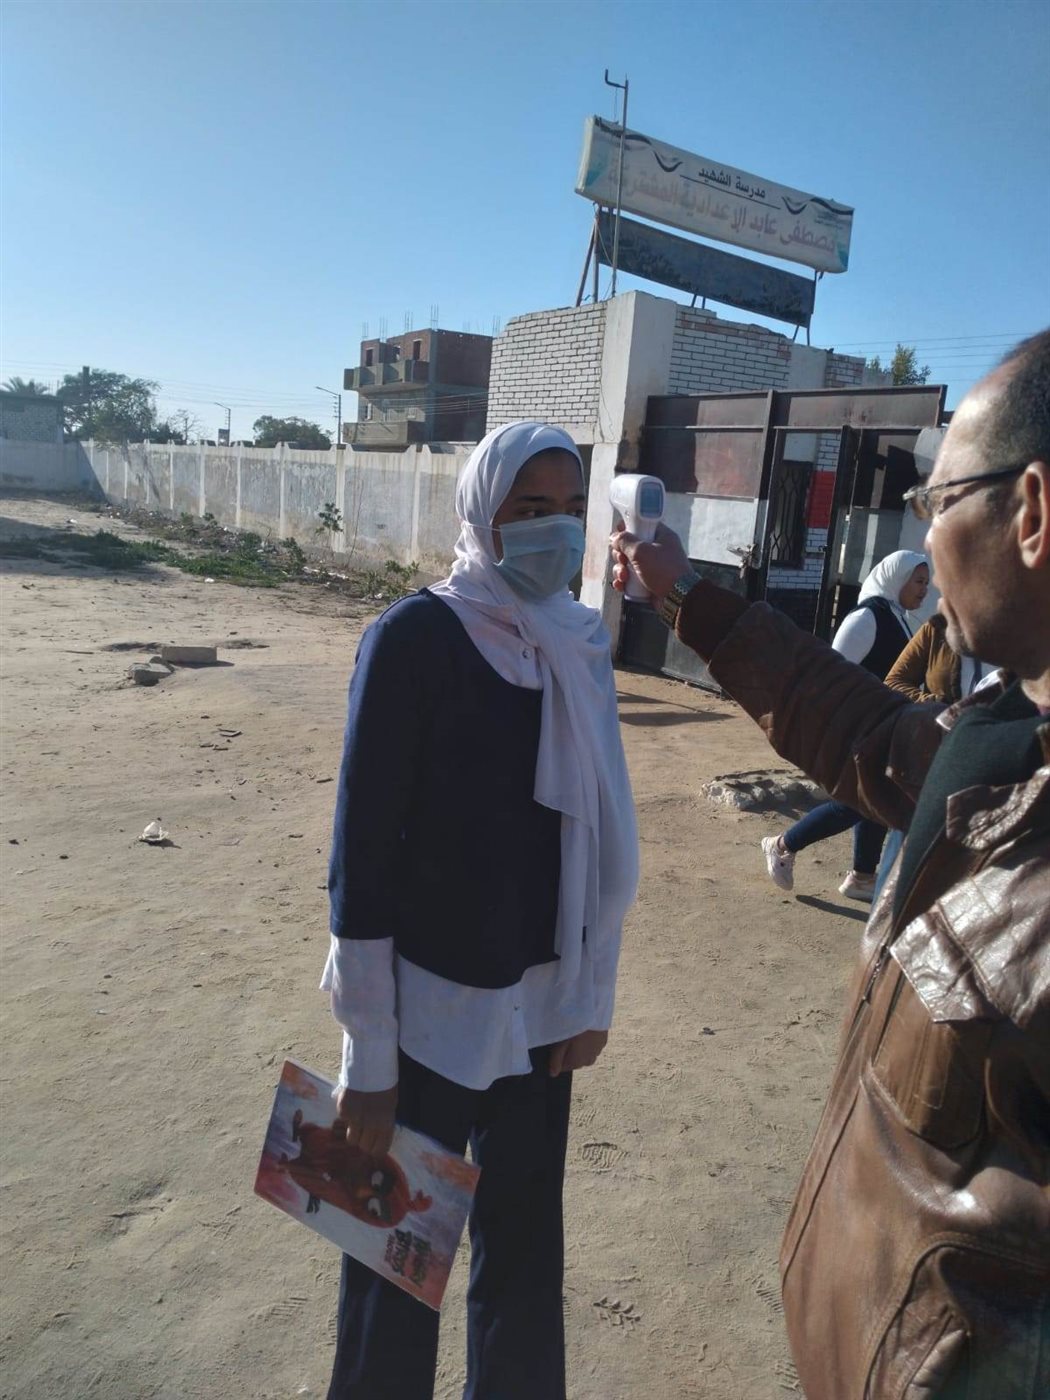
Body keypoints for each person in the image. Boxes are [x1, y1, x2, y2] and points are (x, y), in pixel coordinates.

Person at [610, 329, 1050, 1399]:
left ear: (1033, 511)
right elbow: (865, 730)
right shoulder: (1006, 731)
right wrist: (686, 596)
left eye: (939, 500)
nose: (925, 535)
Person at [322, 420, 639, 1400]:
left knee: (524, 1256)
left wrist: (590, 998)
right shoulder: (415, 639)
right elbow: (362, 860)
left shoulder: (578, 640)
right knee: (395, 1263)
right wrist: (367, 1058)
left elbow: (601, 841)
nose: (556, 530)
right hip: (428, 1021)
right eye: (530, 509)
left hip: (543, 1018)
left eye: (571, 509)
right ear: (482, 513)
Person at [760, 551, 929, 902]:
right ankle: (783, 845)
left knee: (878, 800)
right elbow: (832, 673)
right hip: (858, 730)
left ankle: (862, 876)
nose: (924, 589)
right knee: (859, 801)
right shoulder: (867, 617)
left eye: (926, 583)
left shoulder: (898, 618)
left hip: (884, 730)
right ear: (897, 577)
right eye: (918, 581)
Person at [885, 609, 997, 703]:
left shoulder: (1005, 633)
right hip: (941, 722)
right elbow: (893, 682)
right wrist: (935, 703)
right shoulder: (938, 627)